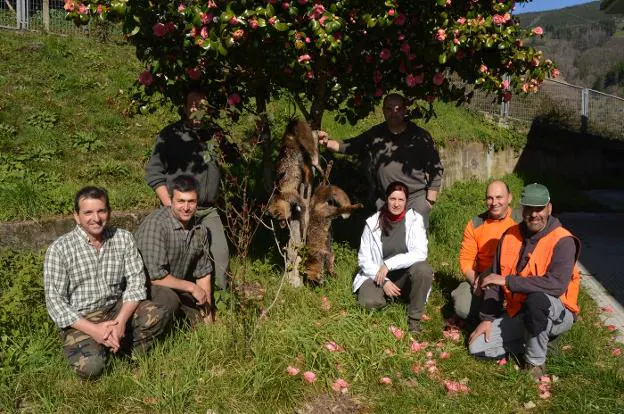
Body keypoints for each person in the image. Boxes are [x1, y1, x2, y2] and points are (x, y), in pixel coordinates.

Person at [43, 187, 170, 380]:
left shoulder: (123, 238)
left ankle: (129, 354)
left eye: (101, 211)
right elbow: (56, 303)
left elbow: (136, 283)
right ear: (76, 216)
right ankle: (101, 350)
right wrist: (95, 330)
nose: (96, 218)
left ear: (108, 212)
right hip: (82, 319)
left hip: (115, 309)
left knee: (158, 313)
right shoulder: (59, 249)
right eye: (88, 212)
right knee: (92, 368)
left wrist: (119, 324)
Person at [468, 183, 581, 380]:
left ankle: (535, 363)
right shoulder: (509, 235)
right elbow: (494, 279)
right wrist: (486, 319)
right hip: (520, 311)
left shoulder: (564, 240)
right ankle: (541, 341)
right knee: (476, 347)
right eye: (529, 209)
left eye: (539, 209)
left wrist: (509, 281)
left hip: (557, 311)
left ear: (549, 208)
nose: (534, 214)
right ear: (522, 209)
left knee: (537, 300)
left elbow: (556, 285)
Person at [145, 89, 230, 290]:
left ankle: (220, 299)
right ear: (184, 108)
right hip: (179, 208)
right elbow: (154, 173)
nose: (197, 110)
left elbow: (234, 158)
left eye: (202, 105)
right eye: (193, 105)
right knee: (177, 256)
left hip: (208, 209)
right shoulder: (170, 135)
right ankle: (175, 300)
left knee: (221, 254)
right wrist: (169, 205)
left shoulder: (215, 134)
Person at [318, 93, 444, 228]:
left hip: (414, 200)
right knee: (387, 246)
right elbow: (350, 146)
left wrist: (429, 200)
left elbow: (436, 168)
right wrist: (326, 142)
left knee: (414, 246)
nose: (393, 113)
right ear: (383, 111)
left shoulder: (420, 137)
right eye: (389, 109)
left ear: (405, 111)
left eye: (398, 109)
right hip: (386, 202)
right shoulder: (376, 134)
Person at [353, 181, 434, 334]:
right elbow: (364, 260)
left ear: (406, 202)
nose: (396, 204)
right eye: (392, 199)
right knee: (368, 302)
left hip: (405, 275)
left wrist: (388, 264)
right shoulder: (372, 223)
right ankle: (391, 299)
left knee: (424, 269)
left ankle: (414, 320)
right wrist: (384, 281)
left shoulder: (415, 221)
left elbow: (420, 253)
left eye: (400, 200)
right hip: (378, 276)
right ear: (386, 200)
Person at [135, 175, 214, 326]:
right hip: (146, 289)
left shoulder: (200, 229)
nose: (186, 207)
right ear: (170, 200)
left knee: (198, 323)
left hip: (177, 287)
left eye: (191, 202)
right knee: (169, 301)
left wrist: (208, 320)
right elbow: (154, 277)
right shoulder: (156, 224)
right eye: (181, 201)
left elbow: (203, 274)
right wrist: (191, 287)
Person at [452, 180, 521, 320]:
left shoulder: (520, 222)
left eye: (499, 197)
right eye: (490, 198)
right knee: (462, 307)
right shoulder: (475, 224)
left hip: (512, 279)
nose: (494, 202)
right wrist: (476, 281)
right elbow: (466, 260)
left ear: (509, 198)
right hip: (484, 279)